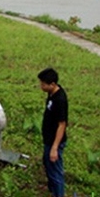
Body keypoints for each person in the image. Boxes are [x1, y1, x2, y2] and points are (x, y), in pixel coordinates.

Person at [38, 68, 68, 197]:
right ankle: (51, 190)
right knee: (48, 164)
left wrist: (55, 148)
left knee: (56, 172)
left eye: (43, 84)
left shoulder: (60, 100)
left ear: (53, 84)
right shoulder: (51, 94)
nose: (41, 86)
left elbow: (62, 125)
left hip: (54, 141)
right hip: (48, 139)